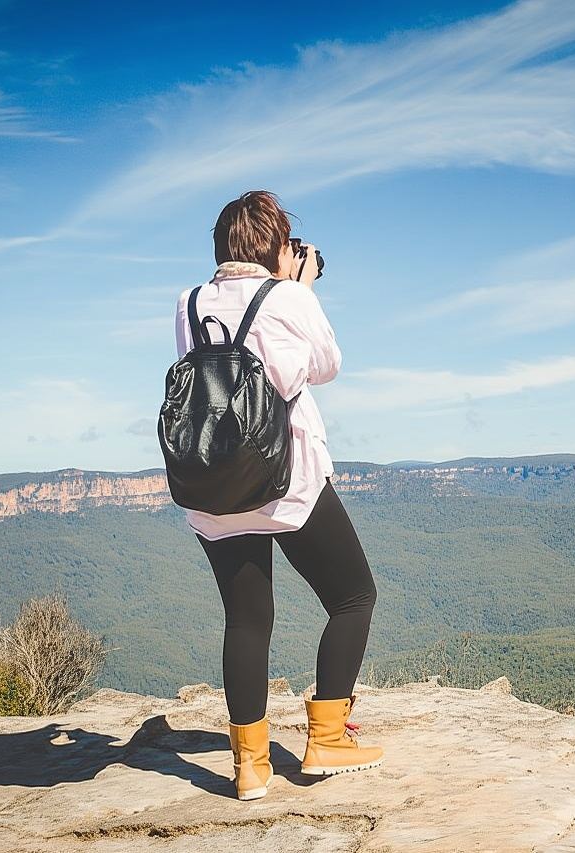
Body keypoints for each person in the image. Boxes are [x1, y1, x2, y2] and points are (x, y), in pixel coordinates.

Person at [173, 190, 382, 801]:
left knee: (246, 618)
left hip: (212, 480)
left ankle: (249, 768)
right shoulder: (288, 296)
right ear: (277, 245)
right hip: (285, 477)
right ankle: (327, 739)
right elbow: (325, 365)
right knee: (352, 597)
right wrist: (301, 288)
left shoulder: (186, 302)